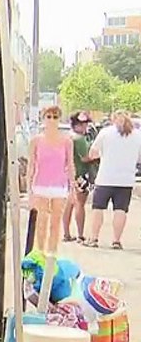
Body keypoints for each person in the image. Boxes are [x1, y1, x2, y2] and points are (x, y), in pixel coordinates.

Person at [84, 109, 141, 249]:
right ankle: (116, 240)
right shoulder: (137, 135)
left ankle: (94, 238)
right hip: (126, 179)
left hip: (105, 178)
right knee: (120, 210)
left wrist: (103, 156)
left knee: (98, 208)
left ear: (113, 119)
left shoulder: (106, 133)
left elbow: (92, 153)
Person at [26, 105, 74, 254]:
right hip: (40, 185)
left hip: (59, 186)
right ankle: (40, 252)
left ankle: (52, 253)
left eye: (55, 117)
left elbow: (70, 164)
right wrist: (29, 189)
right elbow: (31, 165)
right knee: (41, 221)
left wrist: (72, 188)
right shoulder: (36, 141)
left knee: (55, 222)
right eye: (49, 117)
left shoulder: (66, 141)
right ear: (43, 118)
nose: (52, 120)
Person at [62, 111, 96, 243]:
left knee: (69, 204)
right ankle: (80, 234)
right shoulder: (80, 139)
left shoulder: (68, 137)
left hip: (69, 174)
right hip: (81, 174)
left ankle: (66, 233)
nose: (85, 126)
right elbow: (85, 158)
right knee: (80, 204)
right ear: (78, 125)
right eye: (84, 124)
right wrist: (97, 156)